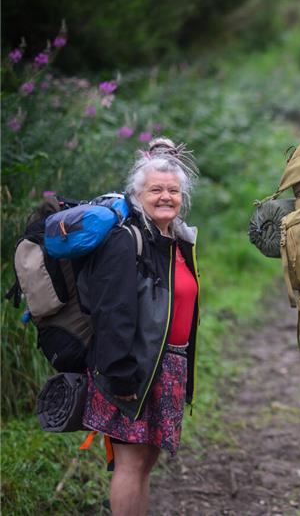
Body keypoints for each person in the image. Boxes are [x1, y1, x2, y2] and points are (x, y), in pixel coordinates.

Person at [81, 138, 200, 516]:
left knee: (145, 461)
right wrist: (120, 373)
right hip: (133, 368)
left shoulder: (174, 241)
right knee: (131, 464)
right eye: (156, 190)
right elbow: (111, 310)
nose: (166, 197)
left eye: (173, 191)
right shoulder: (126, 240)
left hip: (167, 367)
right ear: (136, 194)